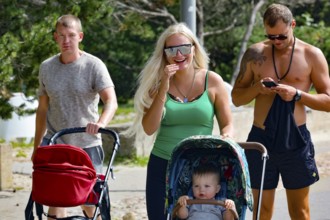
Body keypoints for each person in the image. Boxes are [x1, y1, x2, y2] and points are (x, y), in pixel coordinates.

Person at [123, 23, 234, 220]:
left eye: (184, 48)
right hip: (163, 162)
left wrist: (226, 137)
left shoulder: (212, 80)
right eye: (171, 49)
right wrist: (163, 87)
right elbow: (149, 129)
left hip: (201, 166)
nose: (178, 54)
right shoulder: (157, 85)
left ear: (194, 48)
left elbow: (227, 123)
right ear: (164, 54)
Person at [231, 3, 330, 220]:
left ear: (293, 25)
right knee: (261, 211)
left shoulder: (312, 55)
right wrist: (257, 88)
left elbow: (328, 101)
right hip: (261, 139)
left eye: (282, 36)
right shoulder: (256, 54)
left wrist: (297, 94)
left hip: (295, 139)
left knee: (300, 211)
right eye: (271, 36)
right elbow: (236, 98)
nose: (276, 41)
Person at [32, 14, 118, 219]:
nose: (66, 41)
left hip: (86, 142)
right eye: (61, 36)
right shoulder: (46, 67)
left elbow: (111, 102)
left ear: (80, 36)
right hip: (56, 142)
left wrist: (100, 123)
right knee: (55, 198)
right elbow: (42, 109)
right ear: (55, 37)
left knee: (89, 202)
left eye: (70, 35)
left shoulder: (93, 65)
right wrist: (36, 147)